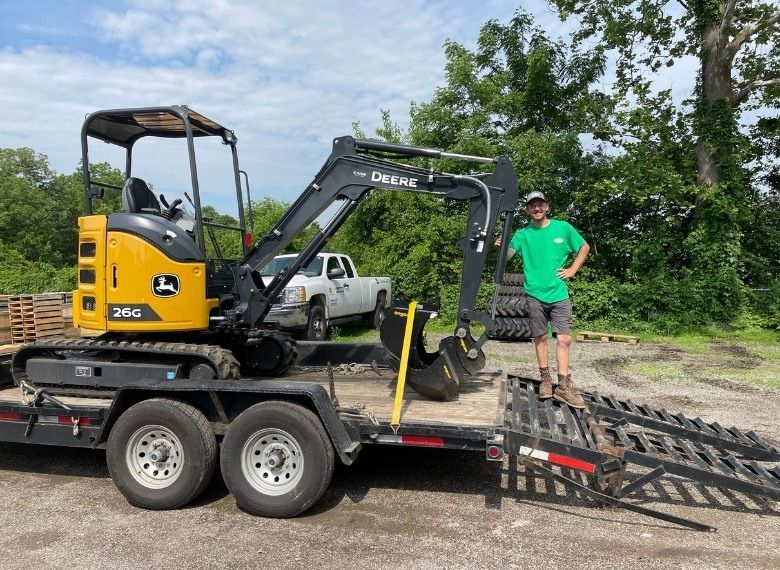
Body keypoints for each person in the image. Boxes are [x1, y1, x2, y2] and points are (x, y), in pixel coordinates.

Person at [495, 191, 590, 408]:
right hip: (534, 294)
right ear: (527, 210)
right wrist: (501, 248)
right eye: (532, 206)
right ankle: (546, 380)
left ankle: (564, 386)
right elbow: (509, 255)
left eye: (540, 205)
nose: (536, 209)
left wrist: (573, 269)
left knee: (564, 339)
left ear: (546, 206)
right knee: (540, 338)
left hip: (558, 293)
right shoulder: (523, 234)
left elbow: (584, 247)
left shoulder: (563, 228)